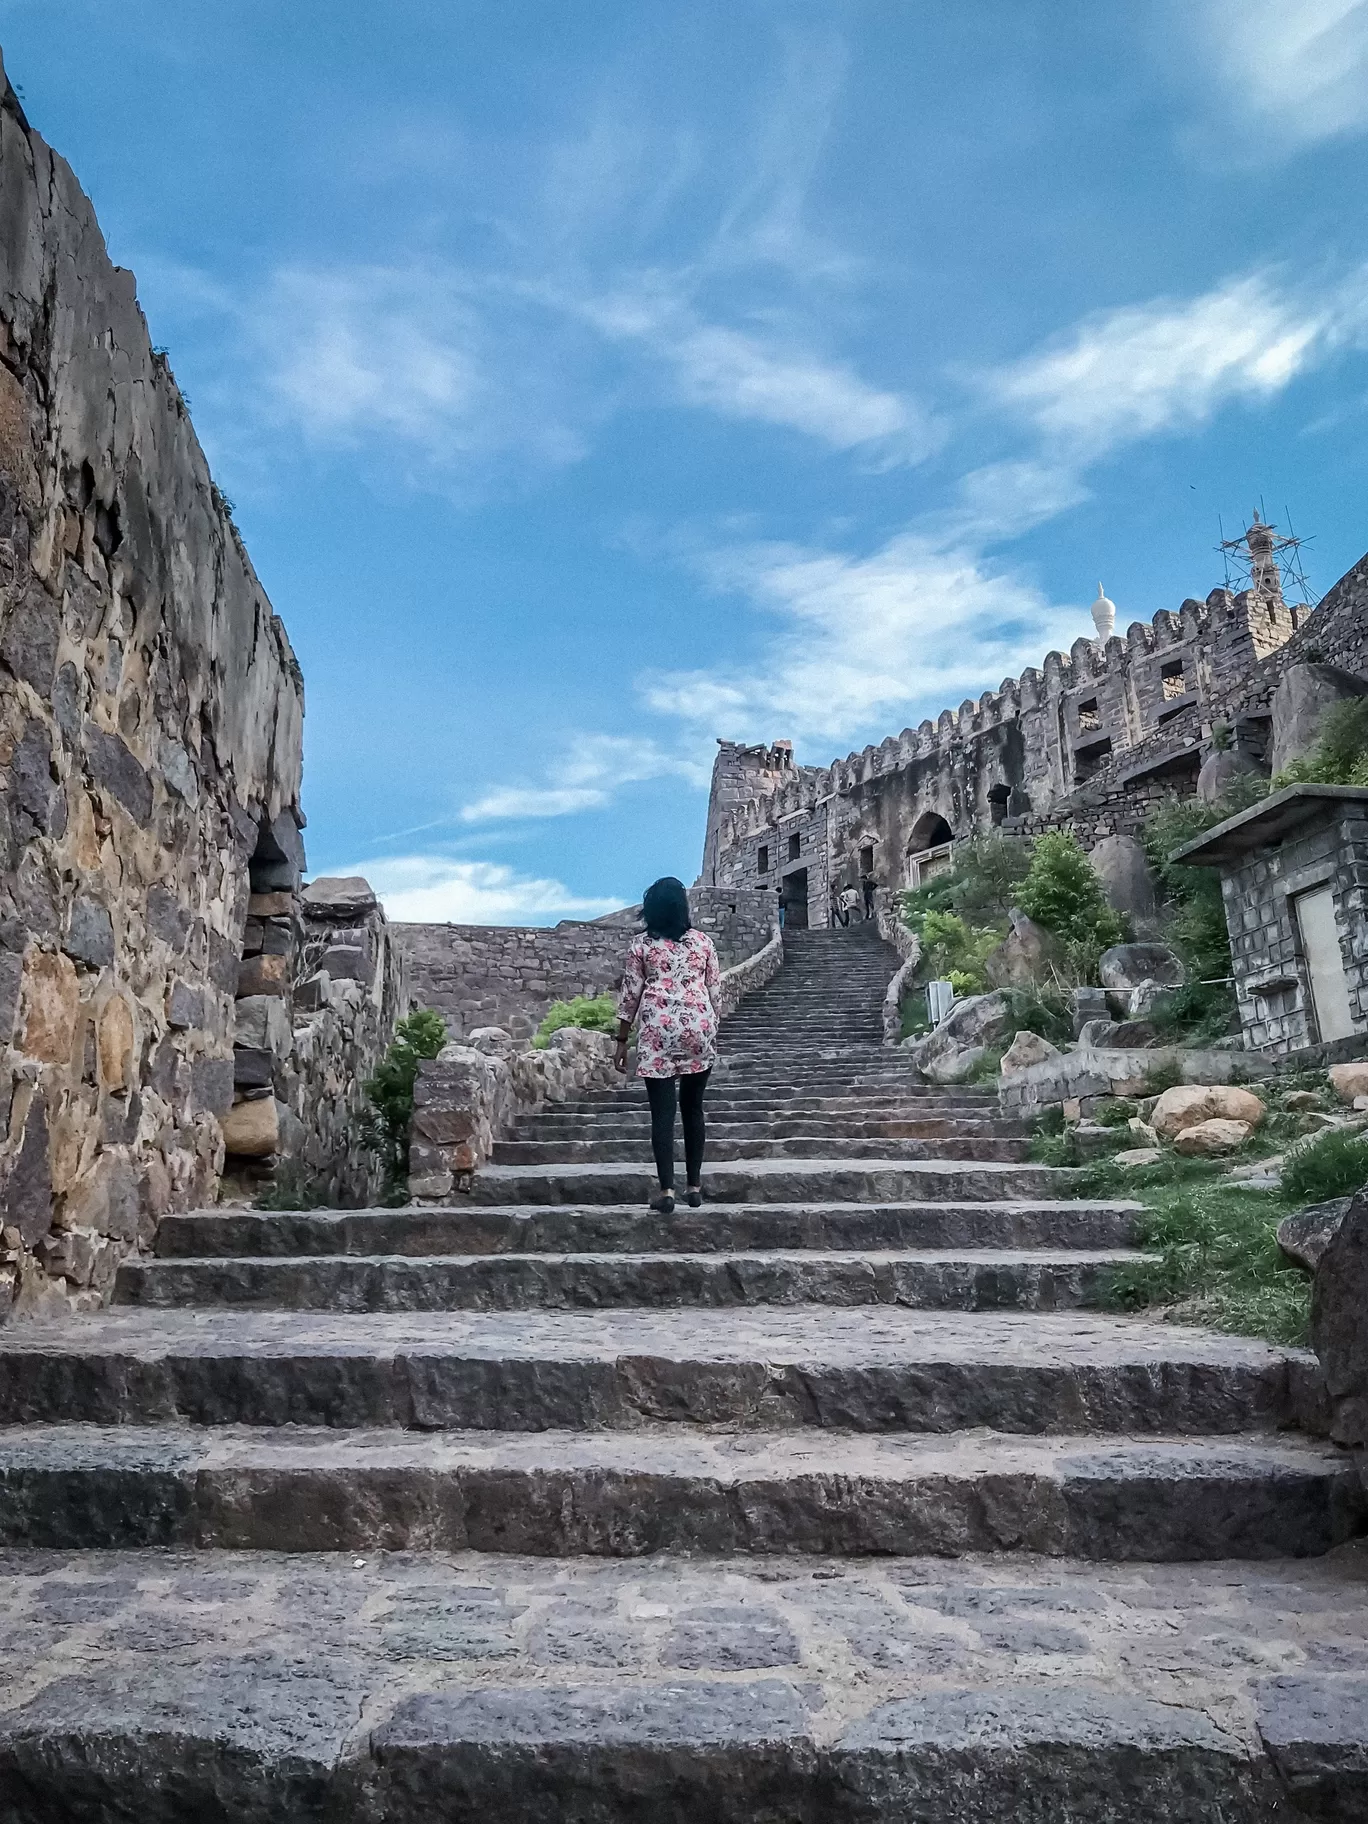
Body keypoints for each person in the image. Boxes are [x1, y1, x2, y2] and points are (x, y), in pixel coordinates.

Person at [613, 877, 721, 1214]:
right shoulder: (703, 943)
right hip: (697, 1028)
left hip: (658, 1029)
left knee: (662, 1114)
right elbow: (715, 991)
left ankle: (666, 1190)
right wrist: (711, 1027)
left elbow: (631, 993)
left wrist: (620, 1041)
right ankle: (694, 1186)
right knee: (693, 1108)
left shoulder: (642, 946)